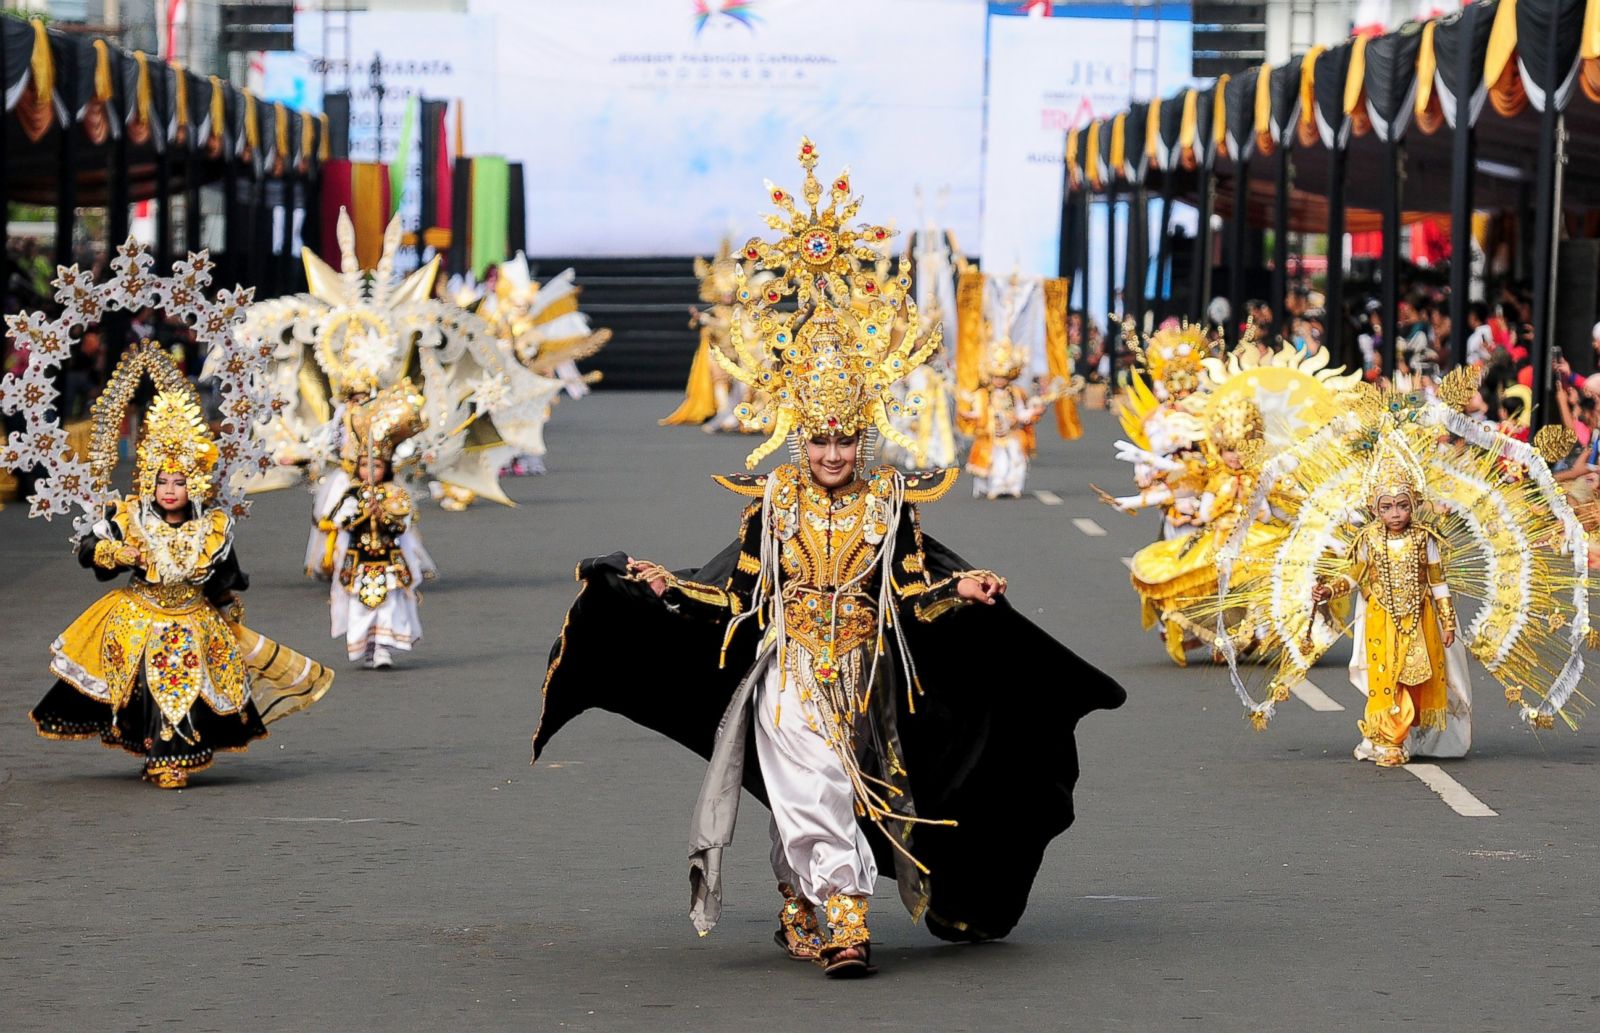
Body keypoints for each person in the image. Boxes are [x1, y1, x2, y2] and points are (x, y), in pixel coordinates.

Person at [532, 139, 1126, 978]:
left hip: (868, 672)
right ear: (797, 435)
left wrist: (964, 586)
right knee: (809, 784)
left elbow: (912, 591)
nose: (834, 452)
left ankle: (801, 904)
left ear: (863, 433)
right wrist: (671, 587)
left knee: (825, 796)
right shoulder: (772, 501)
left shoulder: (891, 504)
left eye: (846, 436)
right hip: (790, 669)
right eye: (819, 437)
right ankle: (848, 921)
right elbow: (737, 597)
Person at [25, 346, 333, 788]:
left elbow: (225, 577)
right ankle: (160, 757)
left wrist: (229, 619)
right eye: (162, 481)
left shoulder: (212, 528)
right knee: (148, 690)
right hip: (139, 617)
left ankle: (173, 755)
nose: (170, 490)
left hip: (193, 619)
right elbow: (89, 549)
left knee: (186, 687)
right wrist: (121, 554)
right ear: (149, 482)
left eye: (180, 482)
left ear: (195, 485)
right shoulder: (129, 518)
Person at [329, 382, 427, 669]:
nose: (370, 471)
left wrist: (382, 514)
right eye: (364, 466)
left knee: (390, 605)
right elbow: (340, 522)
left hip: (388, 560)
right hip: (359, 561)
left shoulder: (396, 494)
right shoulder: (351, 493)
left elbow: (401, 525)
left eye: (376, 466)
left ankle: (384, 647)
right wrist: (362, 513)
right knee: (360, 607)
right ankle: (367, 646)